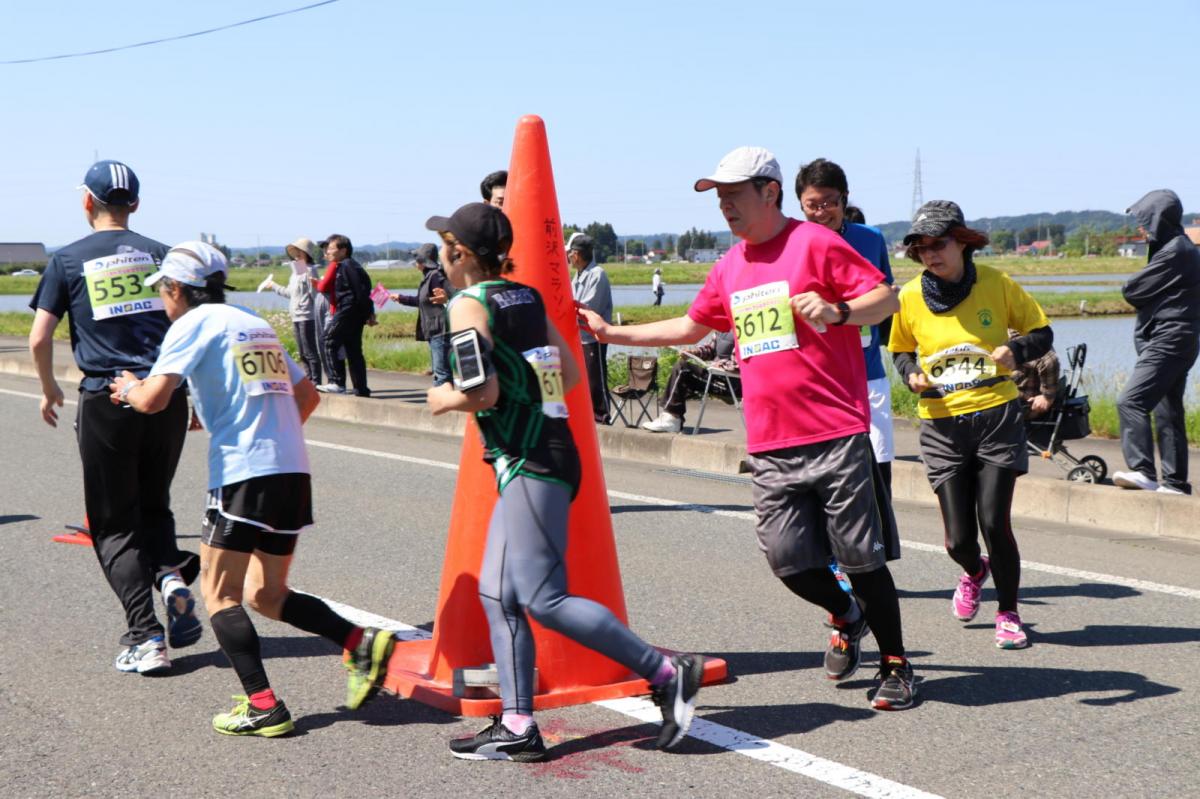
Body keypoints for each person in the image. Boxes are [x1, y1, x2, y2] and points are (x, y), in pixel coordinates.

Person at [579, 146, 916, 710]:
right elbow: (691, 326)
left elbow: (884, 298)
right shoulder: (730, 266)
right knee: (788, 561)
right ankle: (846, 613)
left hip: (835, 429)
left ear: (770, 192)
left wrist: (837, 312)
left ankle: (896, 664)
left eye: (734, 195)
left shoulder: (816, 243)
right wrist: (612, 334)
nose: (725, 207)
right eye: (719, 198)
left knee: (861, 558)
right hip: (770, 441)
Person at [425, 203, 703, 761]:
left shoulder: (467, 304)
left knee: (542, 598)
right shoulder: (523, 295)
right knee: (498, 594)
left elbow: (481, 393)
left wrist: (440, 398)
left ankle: (668, 671)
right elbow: (569, 372)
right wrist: (531, 400)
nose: (438, 255)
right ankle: (518, 723)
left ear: (458, 252)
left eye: (442, 246)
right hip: (546, 451)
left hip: (530, 458)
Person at [108, 241, 396, 736]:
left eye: (164, 292)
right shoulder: (252, 322)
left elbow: (154, 399)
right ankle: (359, 641)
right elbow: (306, 396)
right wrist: (255, 428)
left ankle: (263, 705)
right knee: (268, 593)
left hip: (242, 474)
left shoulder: (191, 324)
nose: (163, 302)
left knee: (220, 595)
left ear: (177, 288)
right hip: (291, 470)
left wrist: (127, 389)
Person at [28, 159, 201, 674]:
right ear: (137, 205)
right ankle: (170, 575)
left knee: (113, 523)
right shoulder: (163, 256)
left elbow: (39, 337)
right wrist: (186, 394)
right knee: (156, 505)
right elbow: (183, 330)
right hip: (164, 396)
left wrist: (49, 387)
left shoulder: (68, 260)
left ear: (87, 202)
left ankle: (146, 637)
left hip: (109, 397)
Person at [889, 200, 1054, 650]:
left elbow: (1042, 332)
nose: (930, 254)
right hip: (941, 425)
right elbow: (900, 350)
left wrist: (1015, 353)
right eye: (920, 248)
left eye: (938, 244)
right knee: (958, 539)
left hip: (997, 415)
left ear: (962, 242)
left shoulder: (997, 284)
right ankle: (974, 570)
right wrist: (910, 374)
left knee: (994, 522)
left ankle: (1008, 612)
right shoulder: (908, 297)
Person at [796, 158, 896, 493]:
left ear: (845, 199)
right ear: (799, 204)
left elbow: (886, 300)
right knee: (825, 477)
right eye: (813, 205)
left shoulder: (871, 239)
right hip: (815, 378)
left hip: (867, 373)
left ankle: (883, 543)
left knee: (879, 468)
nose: (822, 212)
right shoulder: (789, 245)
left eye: (830, 203)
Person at [1112, 189, 1200, 495]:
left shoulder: (1175, 251)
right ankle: (1175, 484)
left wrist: (1139, 288)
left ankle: (1142, 471)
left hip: (1169, 338)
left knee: (1131, 401)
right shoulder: (1178, 247)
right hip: (1181, 339)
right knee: (1167, 410)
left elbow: (1132, 290)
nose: (1140, 226)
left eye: (1144, 219)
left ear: (1159, 218)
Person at [641, 331, 739, 433]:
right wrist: (694, 353)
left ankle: (672, 419)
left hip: (732, 384)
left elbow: (741, 364)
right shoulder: (722, 327)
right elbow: (710, 350)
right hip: (716, 375)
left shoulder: (743, 329)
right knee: (682, 368)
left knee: (684, 369)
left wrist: (718, 365)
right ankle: (670, 417)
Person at [315, 235, 373, 397]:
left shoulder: (348, 265)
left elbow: (361, 291)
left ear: (343, 250)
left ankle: (336, 382)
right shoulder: (348, 265)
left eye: (331, 248)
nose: (328, 251)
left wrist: (368, 313)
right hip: (354, 313)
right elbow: (366, 289)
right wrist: (369, 312)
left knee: (327, 340)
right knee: (353, 350)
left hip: (348, 311)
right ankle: (361, 388)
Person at [260, 238, 322, 384]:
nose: (296, 255)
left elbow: (315, 294)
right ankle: (309, 378)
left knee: (310, 351)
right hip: (295, 316)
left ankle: (317, 381)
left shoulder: (311, 270)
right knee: (302, 352)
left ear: (307, 254)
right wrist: (274, 286)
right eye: (295, 252)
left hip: (307, 316)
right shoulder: (295, 272)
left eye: (299, 252)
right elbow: (290, 293)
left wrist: (319, 314)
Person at [391, 242, 453, 385]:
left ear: (423, 261)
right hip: (433, 330)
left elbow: (448, 296)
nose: (415, 262)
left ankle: (443, 402)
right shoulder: (428, 276)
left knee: (442, 373)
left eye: (416, 259)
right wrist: (401, 298)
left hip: (440, 330)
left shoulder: (436, 276)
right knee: (439, 372)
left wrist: (446, 299)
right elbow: (421, 301)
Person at [568, 233, 613, 423]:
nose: (568, 257)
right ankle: (588, 417)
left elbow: (587, 307)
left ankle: (602, 417)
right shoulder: (578, 275)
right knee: (583, 380)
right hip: (580, 338)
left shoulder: (597, 274)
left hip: (593, 338)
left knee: (596, 380)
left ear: (577, 254)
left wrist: (568, 309)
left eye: (570, 253)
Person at [1008, 328, 1060, 419]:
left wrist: (1047, 397)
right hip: (1003, 400)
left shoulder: (1021, 339)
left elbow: (1050, 359)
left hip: (1024, 407)